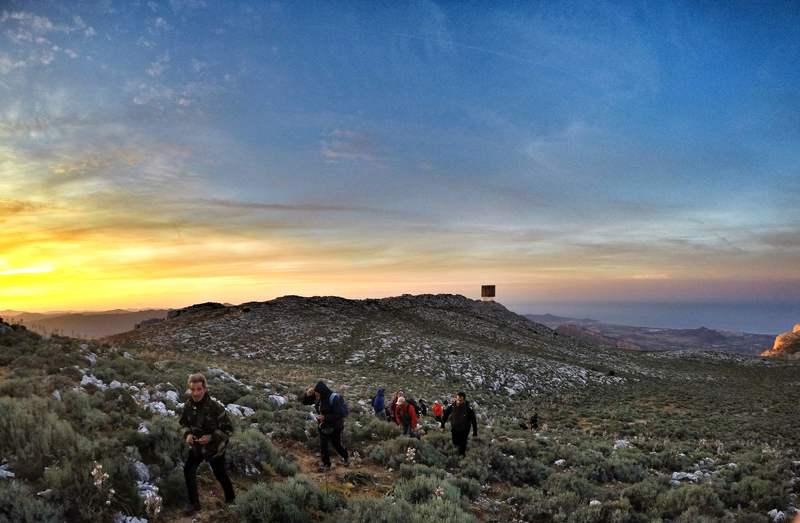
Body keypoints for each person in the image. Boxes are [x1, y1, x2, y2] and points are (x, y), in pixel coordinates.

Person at [179, 373, 235, 514]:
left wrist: (211, 437)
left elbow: (228, 430)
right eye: (192, 389)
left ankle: (231, 499)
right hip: (197, 448)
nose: (196, 393)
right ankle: (194, 504)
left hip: (214, 448)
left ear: (205, 388)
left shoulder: (216, 407)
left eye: (199, 389)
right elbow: (183, 423)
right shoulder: (188, 406)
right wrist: (187, 434)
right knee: (188, 470)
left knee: (220, 473)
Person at [303, 381, 349, 471]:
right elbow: (305, 402)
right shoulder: (319, 397)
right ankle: (326, 464)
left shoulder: (333, 398)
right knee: (323, 446)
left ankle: (346, 457)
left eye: (317, 394)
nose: (316, 397)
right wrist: (308, 394)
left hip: (335, 426)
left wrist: (325, 417)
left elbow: (340, 414)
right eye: (315, 394)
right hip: (323, 426)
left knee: (336, 444)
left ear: (322, 392)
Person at [441, 391, 478, 456]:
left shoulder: (468, 409)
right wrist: (442, 425)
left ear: (464, 400)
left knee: (463, 443)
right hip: (454, 428)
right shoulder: (452, 406)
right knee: (455, 441)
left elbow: (474, 420)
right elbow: (446, 414)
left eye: (460, 400)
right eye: (457, 399)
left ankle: (461, 456)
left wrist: (475, 432)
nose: (458, 401)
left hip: (465, 429)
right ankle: (456, 450)